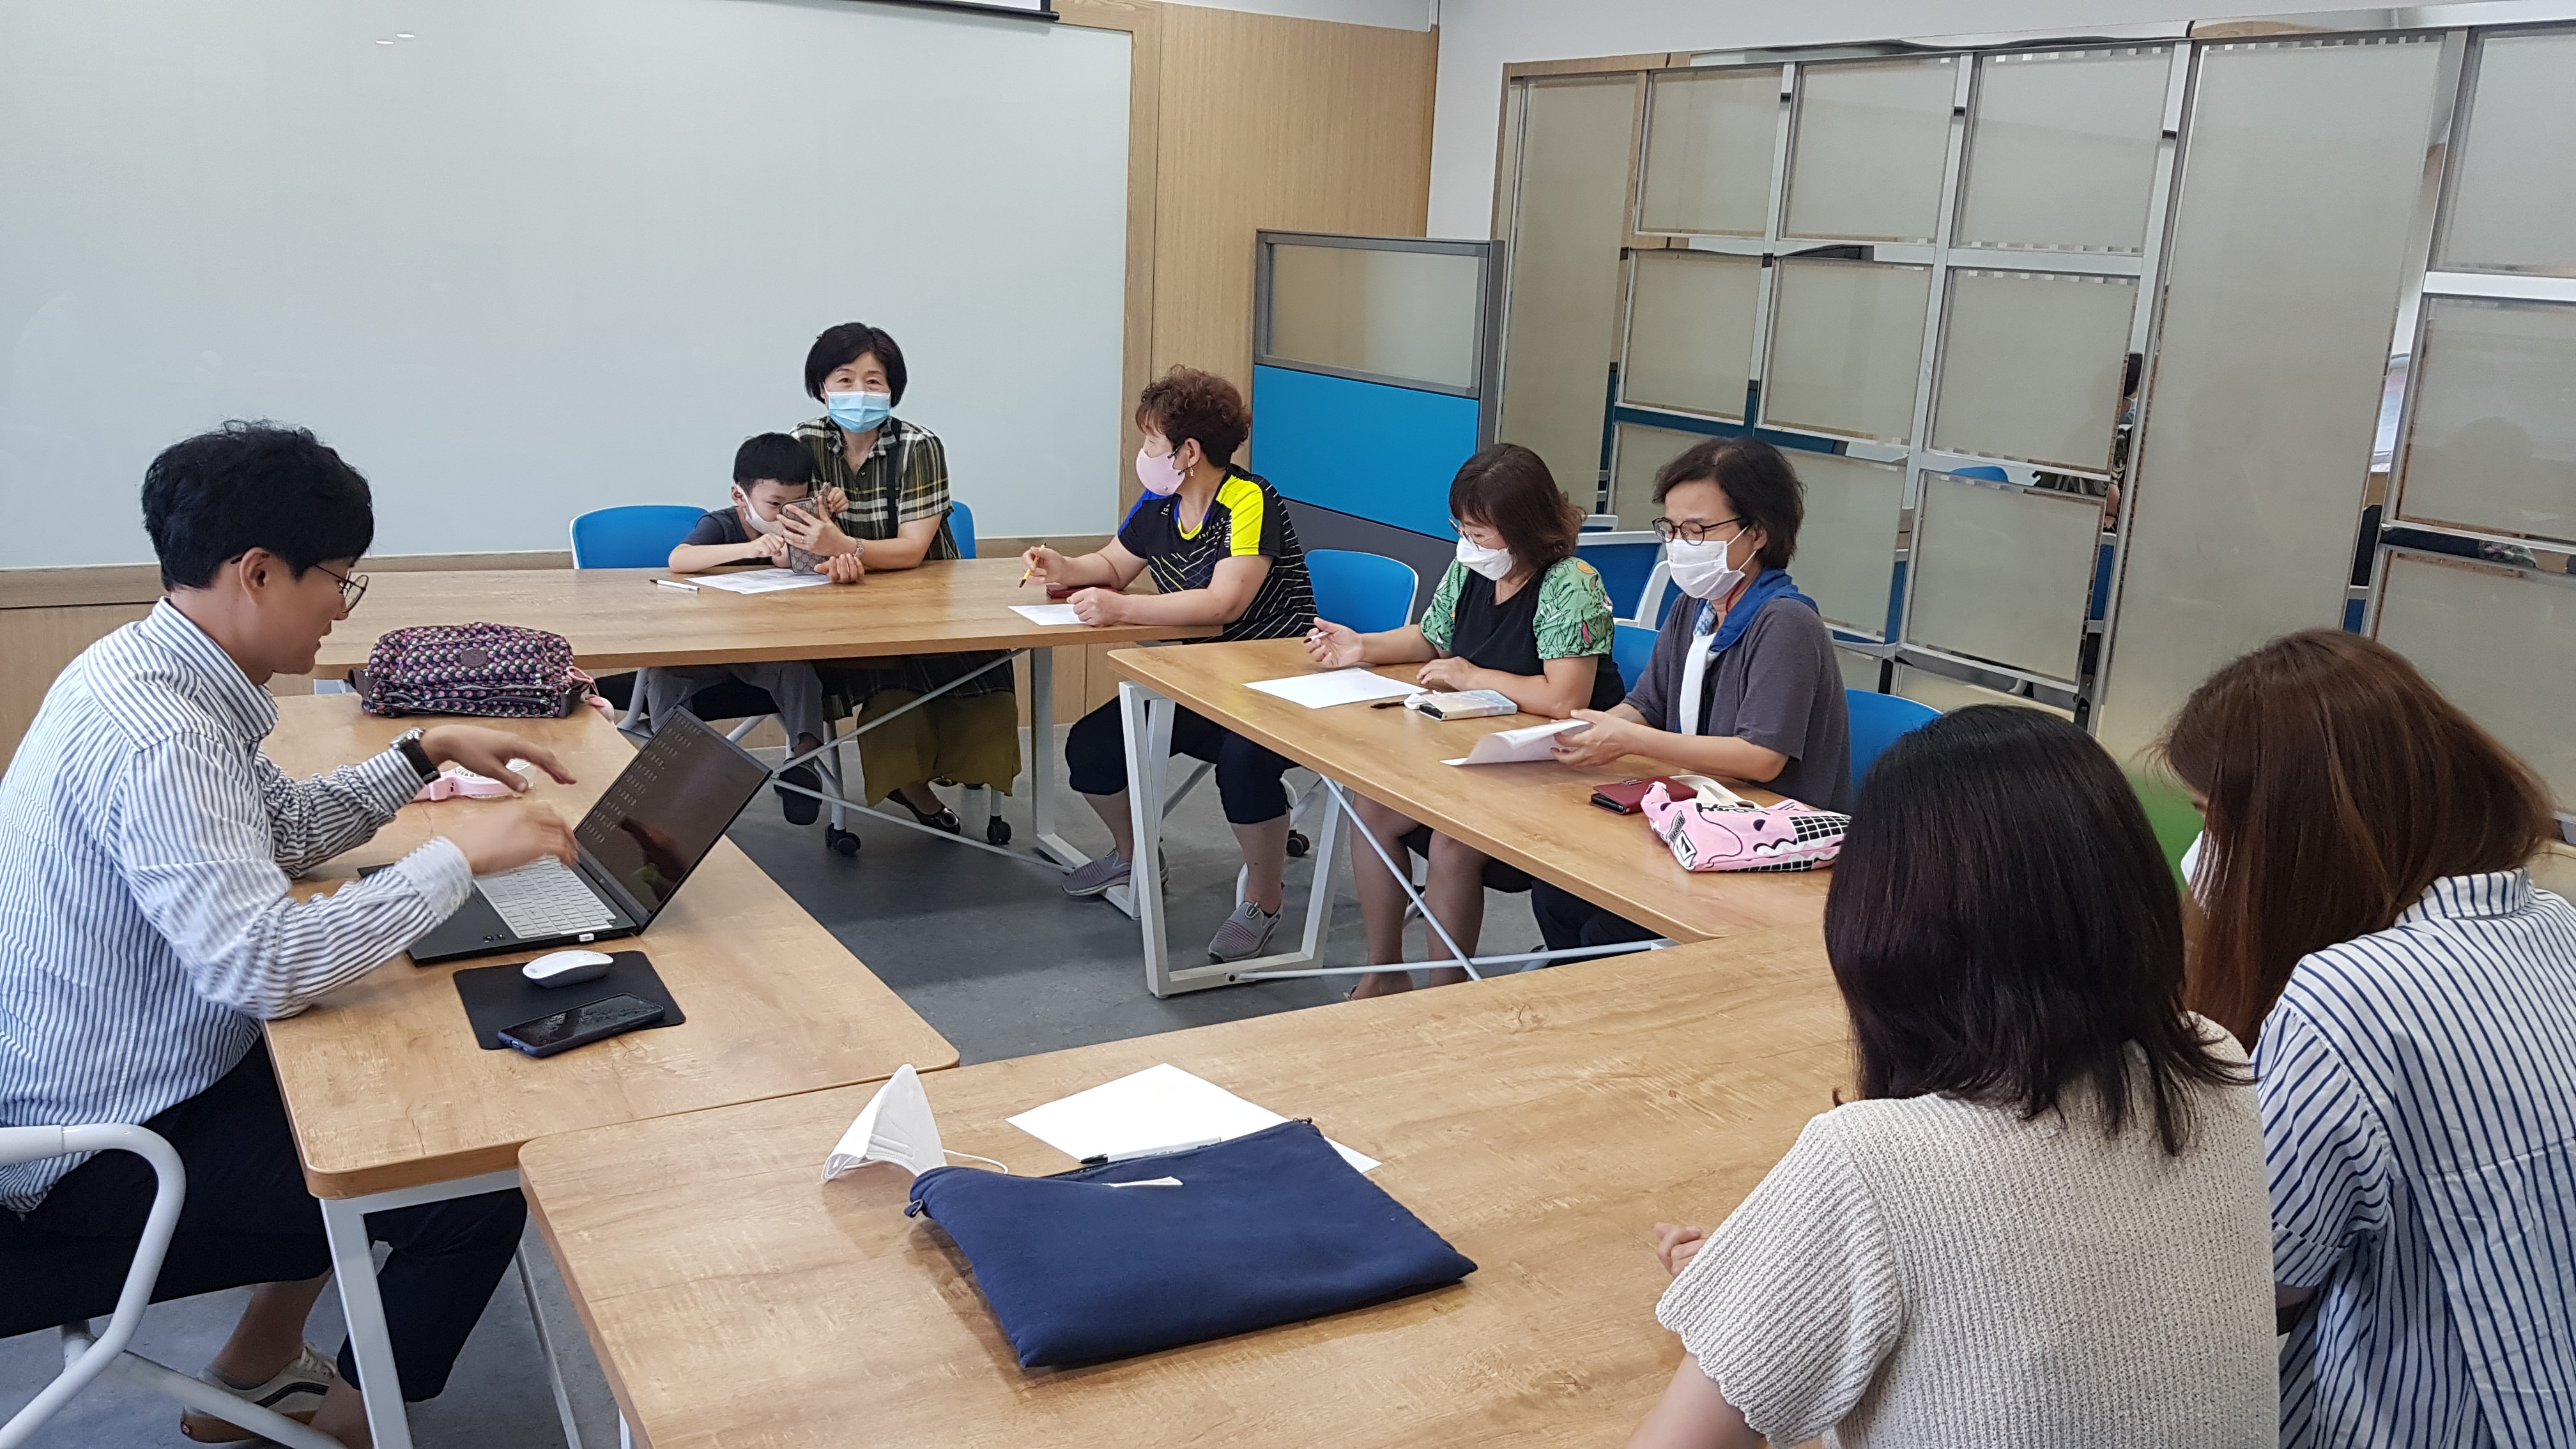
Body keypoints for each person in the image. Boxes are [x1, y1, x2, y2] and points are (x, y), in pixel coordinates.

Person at [0, 422, 579, 1448]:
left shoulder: (145, 669)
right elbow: (261, 964)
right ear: (259, 572)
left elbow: (286, 830)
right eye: (339, 581)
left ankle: (257, 1367)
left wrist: (421, 752)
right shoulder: (166, 735)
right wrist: (456, 859)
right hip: (92, 1148)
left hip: (110, 1075)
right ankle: (352, 1428)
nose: (342, 610)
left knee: (374, 1079)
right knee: (467, 1186)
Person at [1629, 706, 2274, 1449]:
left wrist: (1783, 1275)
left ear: (1883, 927)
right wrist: (1772, 1283)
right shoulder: (2215, 1063)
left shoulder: (1872, 1161)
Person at [2160, 630, 2576, 1449]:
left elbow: (2252, 1282)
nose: (2203, 854)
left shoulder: (2349, 998)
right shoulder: (2555, 925)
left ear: (2296, 830)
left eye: (2213, 820)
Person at [1302, 443, 1618, 998]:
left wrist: (1473, 676)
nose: (1468, 543)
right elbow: (1432, 638)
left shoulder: (1570, 582)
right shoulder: (1472, 568)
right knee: (1371, 808)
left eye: (1480, 531)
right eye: (1462, 528)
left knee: (1451, 837)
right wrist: (1363, 647)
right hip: (1476, 748)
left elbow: (1564, 699)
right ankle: (1385, 972)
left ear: (1524, 527)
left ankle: (1446, 995)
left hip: (1554, 761)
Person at [1027, 365, 1317, 963]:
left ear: (1188, 451)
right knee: (1092, 747)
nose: (1144, 452)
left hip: (1278, 685)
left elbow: (1224, 602)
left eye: (1152, 440)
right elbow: (1114, 564)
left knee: (1243, 765)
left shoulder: (1250, 500)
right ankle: (1134, 856)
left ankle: (1263, 900)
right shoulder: (1161, 503)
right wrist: (1065, 566)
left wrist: (1123, 609)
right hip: (1207, 682)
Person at [1536, 437, 1851, 953]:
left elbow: (1761, 758)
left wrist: (1632, 741)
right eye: (1672, 529)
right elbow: (1648, 704)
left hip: (1769, 841)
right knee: (1558, 894)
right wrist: (1592, 730)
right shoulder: (1697, 606)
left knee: (1608, 931)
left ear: (1758, 533)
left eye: (1698, 530)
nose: (1681, 544)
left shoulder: (1785, 624)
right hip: (1700, 815)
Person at [786, 321, 1017, 832]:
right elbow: (796, 533)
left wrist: (843, 546)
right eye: (845, 380)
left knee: (981, 687)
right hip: (843, 604)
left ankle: (957, 774)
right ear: (822, 387)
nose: (859, 392)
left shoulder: (918, 445)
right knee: (886, 691)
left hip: (928, 601)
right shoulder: (803, 443)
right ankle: (908, 785)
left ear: (892, 389)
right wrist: (829, 556)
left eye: (874, 381)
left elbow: (913, 550)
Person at [640, 431, 857, 823]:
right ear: (740, 495)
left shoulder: (801, 525)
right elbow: (679, 559)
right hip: (707, 650)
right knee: (663, 672)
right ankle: (675, 766)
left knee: (799, 672)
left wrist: (822, 525)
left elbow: (811, 572)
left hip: (768, 651)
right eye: (774, 504)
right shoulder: (721, 524)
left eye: (795, 503)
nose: (784, 514)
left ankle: (803, 763)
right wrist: (749, 549)